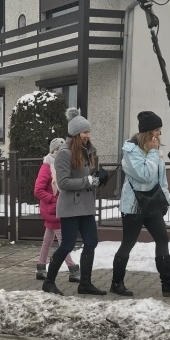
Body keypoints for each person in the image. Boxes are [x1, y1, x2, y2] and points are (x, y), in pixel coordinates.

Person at [110, 111, 170, 298]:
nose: (159, 135)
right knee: (128, 243)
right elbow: (144, 176)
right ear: (146, 133)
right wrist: (154, 153)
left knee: (162, 239)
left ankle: (167, 284)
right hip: (134, 206)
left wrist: (165, 200)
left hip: (152, 204)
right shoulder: (130, 152)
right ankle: (116, 282)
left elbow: (161, 179)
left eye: (160, 130)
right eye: (156, 130)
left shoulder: (154, 151)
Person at [42, 108, 107, 296]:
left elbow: (88, 176)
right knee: (67, 245)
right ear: (76, 134)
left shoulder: (88, 151)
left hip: (86, 206)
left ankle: (85, 283)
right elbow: (62, 182)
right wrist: (87, 181)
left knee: (91, 242)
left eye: (89, 131)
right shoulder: (64, 153)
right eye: (85, 132)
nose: (88, 135)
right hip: (70, 207)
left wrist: (99, 177)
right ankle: (48, 281)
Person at [33, 137, 78, 282]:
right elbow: (38, 190)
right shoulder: (47, 167)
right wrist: (55, 200)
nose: (62, 153)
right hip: (54, 210)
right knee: (64, 242)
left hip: (57, 209)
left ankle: (41, 268)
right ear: (53, 151)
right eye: (59, 150)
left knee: (48, 240)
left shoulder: (60, 166)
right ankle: (73, 270)